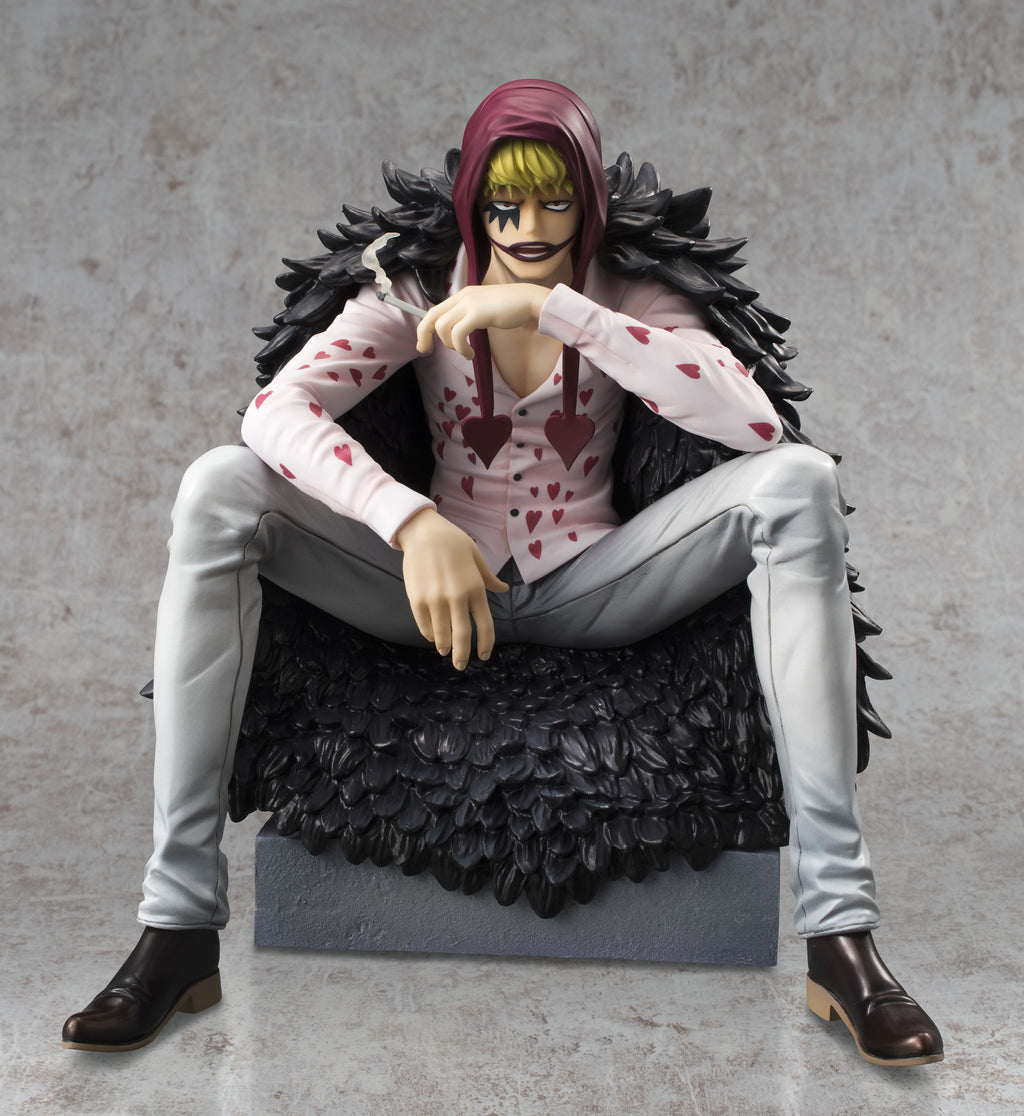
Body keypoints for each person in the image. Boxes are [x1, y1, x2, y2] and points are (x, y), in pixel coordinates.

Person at [62, 80, 942, 1066]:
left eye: (554, 202)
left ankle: (841, 936)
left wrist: (559, 311)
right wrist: (408, 521)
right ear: (472, 205)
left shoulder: (626, 293)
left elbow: (753, 423)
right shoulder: (413, 288)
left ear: (588, 203)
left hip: (596, 584)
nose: (528, 228)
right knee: (217, 486)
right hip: (425, 596)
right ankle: (177, 925)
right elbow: (275, 412)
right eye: (504, 206)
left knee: (800, 484)